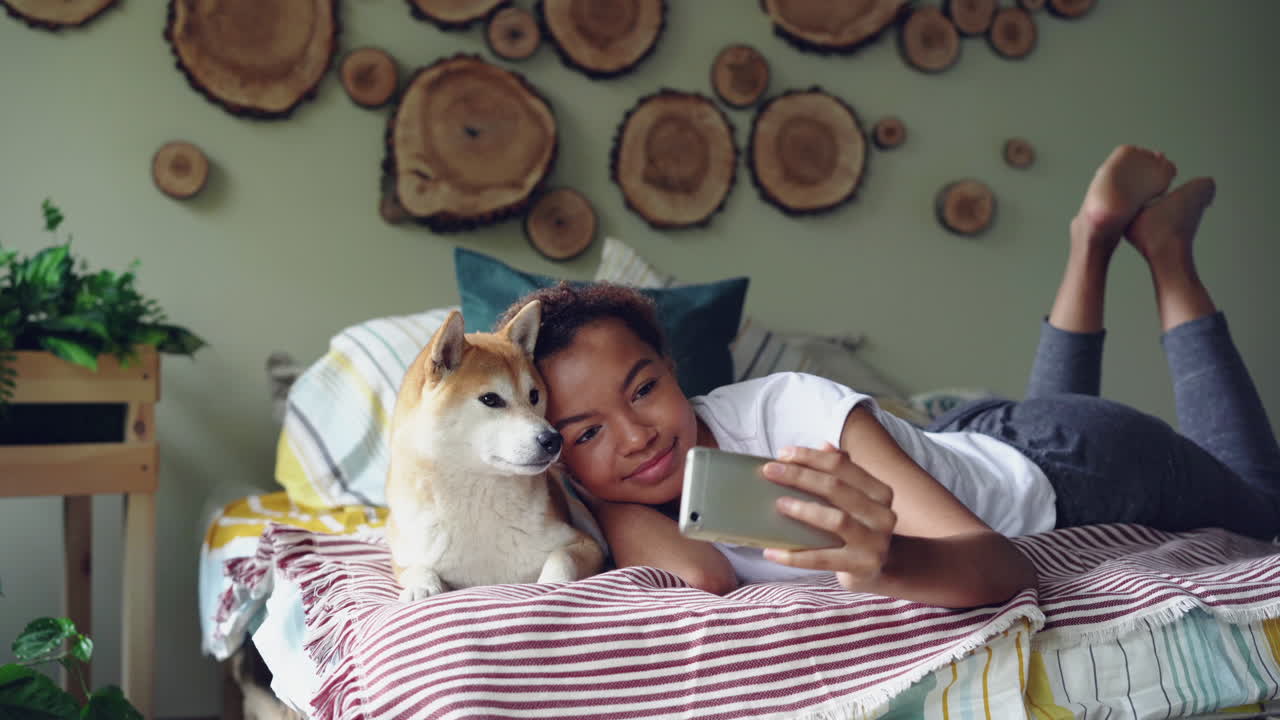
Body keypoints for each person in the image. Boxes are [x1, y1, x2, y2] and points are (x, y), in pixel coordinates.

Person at [495, 145, 1280, 608]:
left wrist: (890, 562)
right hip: (967, 440)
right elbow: (700, 574)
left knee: (1266, 511)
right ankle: (1094, 240)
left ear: (675, 369)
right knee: (1029, 425)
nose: (637, 436)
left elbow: (1003, 568)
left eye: (643, 389)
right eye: (587, 431)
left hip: (1085, 466)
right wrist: (595, 491)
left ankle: (1169, 255)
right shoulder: (592, 504)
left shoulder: (787, 410)